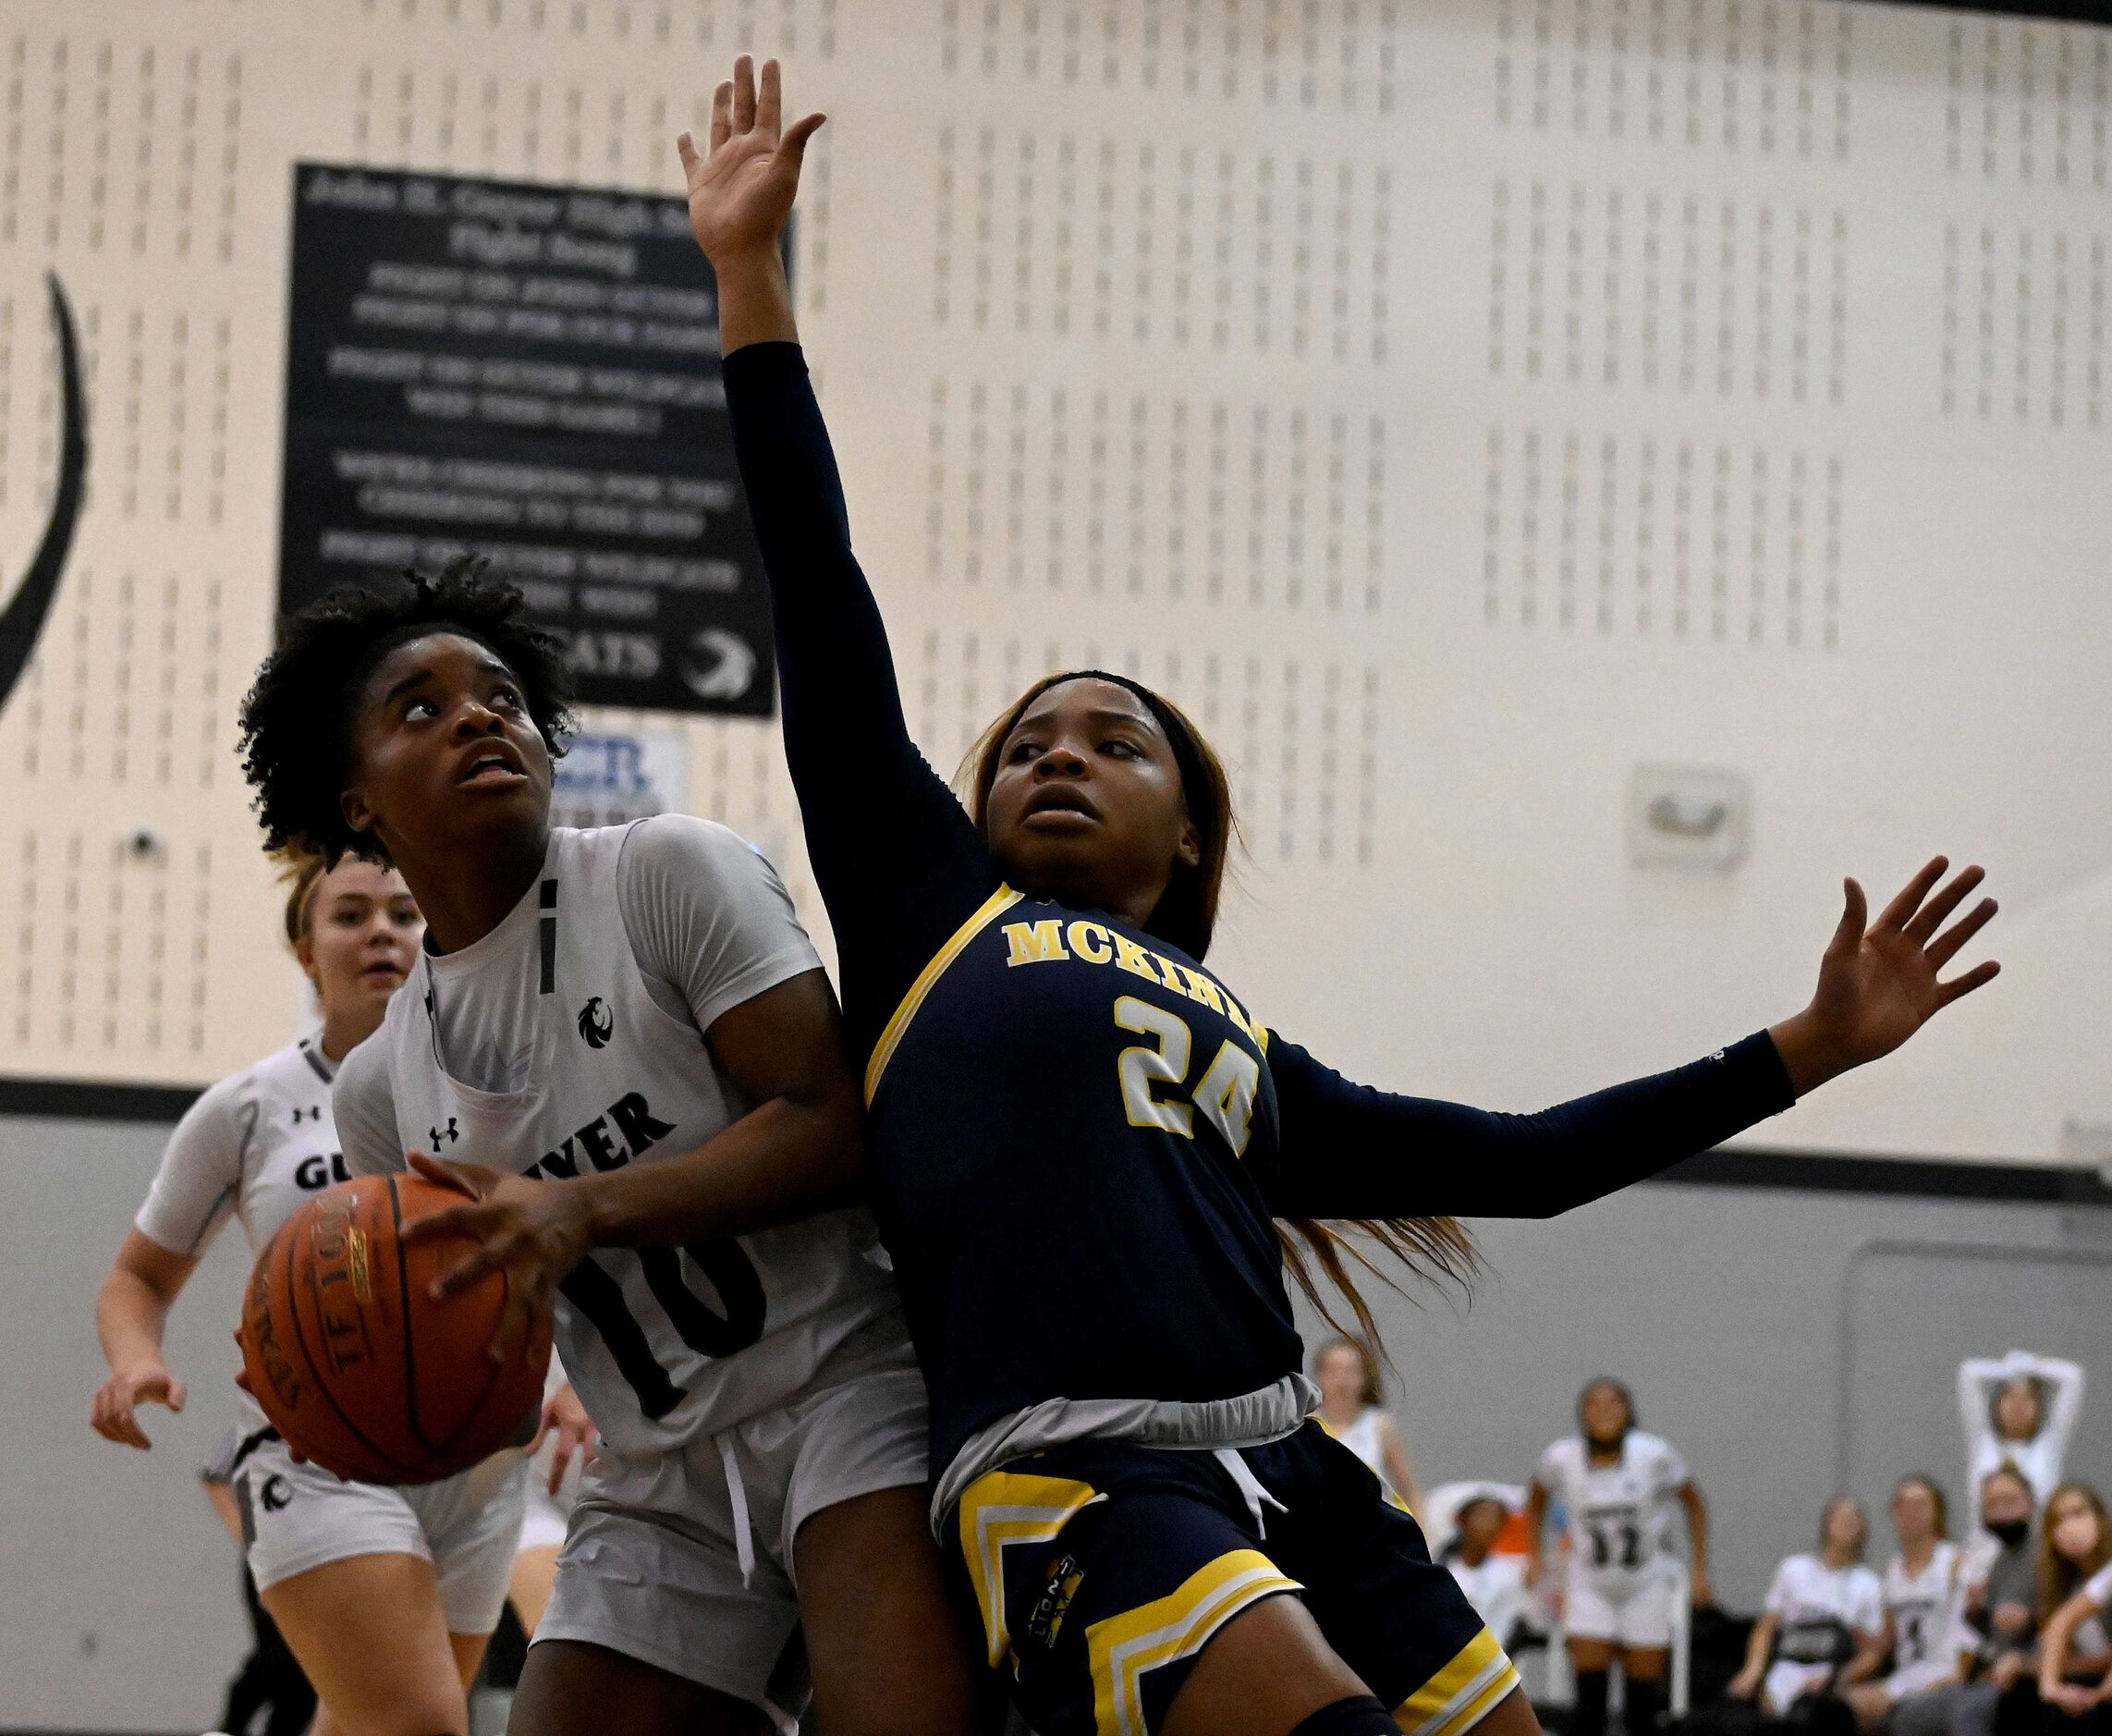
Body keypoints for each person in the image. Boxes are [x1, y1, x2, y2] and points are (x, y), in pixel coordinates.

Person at [684, 54, 2003, 1736]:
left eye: (1116, 737)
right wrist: (749, 279)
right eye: (1026, 742)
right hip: (1071, 1469)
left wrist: (1803, 1048)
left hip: (1289, 1459)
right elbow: (817, 577)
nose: (1058, 755)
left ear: (1189, 839)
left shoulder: (1248, 1045)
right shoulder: (931, 905)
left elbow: (1524, 1160)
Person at [233, 564, 976, 1736]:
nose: (480, 714)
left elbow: (829, 1127)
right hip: (654, 1480)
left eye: (502, 696)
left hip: (847, 1386)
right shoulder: (382, 1085)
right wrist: (326, 1381)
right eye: (418, 708)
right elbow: (468, 1333)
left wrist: (582, 1208)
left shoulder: (665, 872)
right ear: (356, 803)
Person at [90, 854, 534, 1736]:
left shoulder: (499, 1088)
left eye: (405, 914)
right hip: (321, 1455)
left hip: (482, 1462)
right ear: (305, 950)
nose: (381, 931)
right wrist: (136, 1361)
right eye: (351, 915)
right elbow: (138, 1276)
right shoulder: (248, 1107)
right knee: (422, 1725)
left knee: (360, 1725)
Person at [1527, 1380, 1711, 1736]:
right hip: (1590, 1581)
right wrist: (1537, 1558)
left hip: (1645, 1580)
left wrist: (1700, 1568)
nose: (1603, 1413)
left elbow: (1694, 1502)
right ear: (1581, 1414)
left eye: (1613, 1404)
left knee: (1642, 1703)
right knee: (1590, 1701)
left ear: (1628, 1411)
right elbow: (1536, 1496)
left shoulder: (1653, 1454)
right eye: (1593, 1405)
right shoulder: (1562, 1457)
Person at [1886, 1466, 2039, 1736]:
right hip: (1986, 1672)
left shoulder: (2044, 1557)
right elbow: (1991, 1633)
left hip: (2026, 1674)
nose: (2002, 1512)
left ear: (2031, 1503)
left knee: (1969, 1712)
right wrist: (1975, 1612)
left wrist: (2030, 1622)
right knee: (1909, 1718)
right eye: (1992, 1505)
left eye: (2010, 1501)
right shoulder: (1997, 1560)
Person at [1727, 1497, 1887, 1723]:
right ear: (1827, 1523)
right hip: (1785, 1669)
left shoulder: (1869, 1584)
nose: (1847, 1525)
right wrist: (1753, 1669)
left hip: (1828, 1677)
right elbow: (1766, 1627)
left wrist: (1841, 1679)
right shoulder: (1793, 1569)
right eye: (1841, 1518)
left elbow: (1873, 1653)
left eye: (1854, 1520)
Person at [1845, 1477, 1965, 1732]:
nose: (1910, 1512)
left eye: (1920, 1504)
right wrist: (1843, 1674)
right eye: (1902, 1505)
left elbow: (1973, 1631)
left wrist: (1961, 1675)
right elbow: (1886, 1642)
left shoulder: (1953, 1561)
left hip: (1945, 1671)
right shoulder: (1893, 1570)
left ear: (1937, 1512)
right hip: (1906, 1674)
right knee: (1837, 1707)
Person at [1960, 1354, 2085, 1526]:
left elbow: (2073, 1377)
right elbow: (1969, 1372)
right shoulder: (1984, 1444)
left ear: (2039, 1408)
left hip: (2037, 1548)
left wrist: (2032, 1367)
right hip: (1984, 1548)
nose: (2017, 1406)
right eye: (2009, 1398)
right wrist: (2007, 1369)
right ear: (1997, 1404)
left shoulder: (2048, 1446)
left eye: (2027, 1399)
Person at [2031, 1485, 2112, 1735]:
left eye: (2079, 1513)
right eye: (2059, 1520)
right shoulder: (2062, 1587)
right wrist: (2051, 1690)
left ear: (2100, 1518)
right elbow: (2058, 1627)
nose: (2070, 1527)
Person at [1312, 1337, 1422, 1511]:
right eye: (1333, 1371)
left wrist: (1423, 1533)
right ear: (1319, 1376)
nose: (1342, 1381)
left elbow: (1407, 1486)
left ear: (1365, 1378)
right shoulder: (1305, 1426)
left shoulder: (1379, 1425)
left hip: (1377, 1528)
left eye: (1350, 1371)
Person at [1446, 1492, 1537, 1654]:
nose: (1491, 1525)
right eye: (1483, 1515)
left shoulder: (1511, 1574)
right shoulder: (1438, 1566)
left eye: (1498, 1518)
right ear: (1462, 1519)